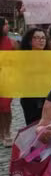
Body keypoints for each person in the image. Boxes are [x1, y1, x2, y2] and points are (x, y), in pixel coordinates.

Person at [19, 28, 51, 125]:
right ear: (29, 41)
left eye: (43, 38)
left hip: (48, 97)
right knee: (32, 125)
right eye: (37, 38)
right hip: (30, 98)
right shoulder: (21, 58)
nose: (41, 40)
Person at [0, 17, 18, 147]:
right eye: (6, 24)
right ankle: (2, 133)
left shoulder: (12, 42)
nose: (8, 26)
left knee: (5, 107)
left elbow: (21, 58)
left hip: (7, 79)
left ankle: (7, 132)